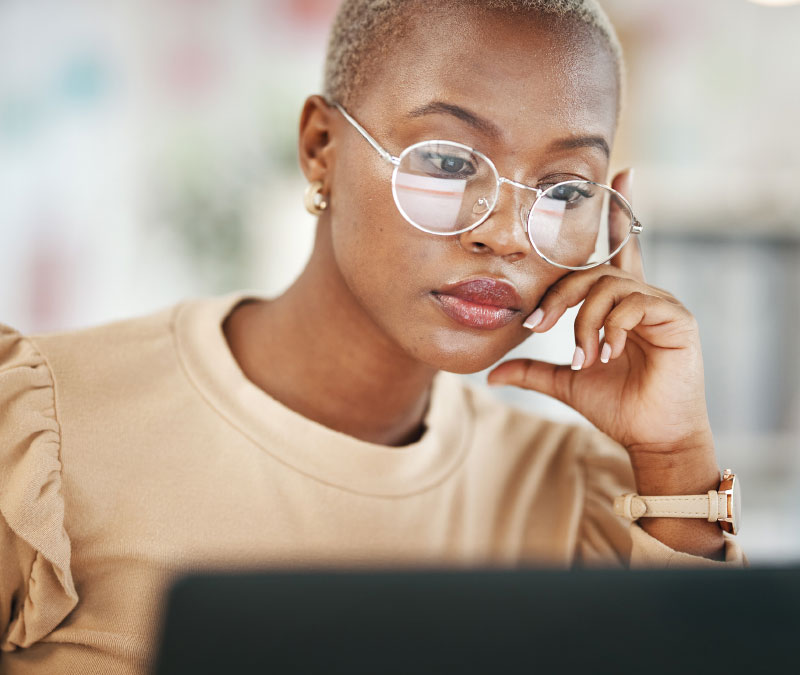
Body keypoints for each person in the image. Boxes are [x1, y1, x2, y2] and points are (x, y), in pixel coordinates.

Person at [0, 1, 745, 673]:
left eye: (565, 190)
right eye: (449, 161)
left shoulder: (594, 496)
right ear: (321, 147)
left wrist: (675, 457)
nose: (507, 233)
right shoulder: (43, 431)